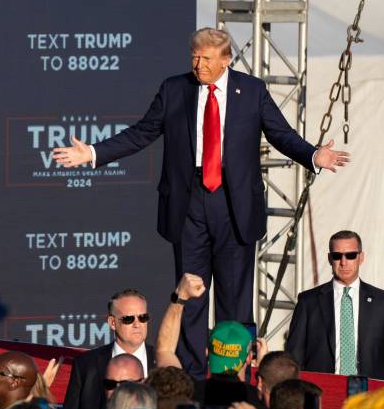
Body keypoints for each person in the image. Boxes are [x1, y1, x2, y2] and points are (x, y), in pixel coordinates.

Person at [53, 27, 350, 377]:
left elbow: (281, 134)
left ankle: (232, 375)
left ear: (226, 60)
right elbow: (142, 132)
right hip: (188, 201)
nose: (199, 65)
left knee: (234, 298)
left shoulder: (251, 91)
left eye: (207, 58)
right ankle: (192, 376)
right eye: (194, 57)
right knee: (191, 292)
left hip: (234, 204)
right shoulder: (174, 89)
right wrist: (92, 152)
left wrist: (314, 155)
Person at [285, 229, 384, 380]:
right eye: (337, 256)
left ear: (361, 257)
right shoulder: (308, 302)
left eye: (351, 255)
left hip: (370, 395)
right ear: (329, 258)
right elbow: (293, 360)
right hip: (322, 393)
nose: (343, 262)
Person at [62, 288, 155, 409]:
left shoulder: (163, 361)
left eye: (143, 317)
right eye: (128, 319)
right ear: (112, 322)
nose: (137, 324)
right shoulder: (86, 363)